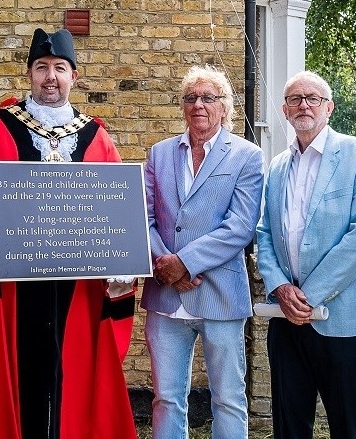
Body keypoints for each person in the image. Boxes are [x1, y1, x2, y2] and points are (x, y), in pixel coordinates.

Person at [0, 28, 137, 439]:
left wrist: (124, 259)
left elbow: (118, 208)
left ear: (74, 76)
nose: (50, 77)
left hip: (77, 287)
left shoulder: (97, 136)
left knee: (71, 375)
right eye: (42, 68)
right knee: (22, 381)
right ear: (29, 74)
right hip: (14, 289)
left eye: (60, 68)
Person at [255, 71, 356, 439]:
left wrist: (308, 297)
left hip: (344, 318)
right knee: (290, 425)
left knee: (347, 426)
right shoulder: (278, 165)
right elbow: (264, 232)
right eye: (295, 99)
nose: (303, 105)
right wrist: (280, 286)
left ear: (328, 107)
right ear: (284, 109)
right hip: (286, 317)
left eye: (312, 98)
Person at [141, 66, 264, 439]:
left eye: (208, 98)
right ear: (182, 106)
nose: (199, 105)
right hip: (165, 296)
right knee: (166, 398)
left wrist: (185, 263)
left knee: (227, 398)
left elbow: (240, 226)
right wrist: (165, 265)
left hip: (220, 295)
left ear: (224, 107)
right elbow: (143, 217)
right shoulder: (159, 153)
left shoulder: (247, 156)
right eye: (191, 98)